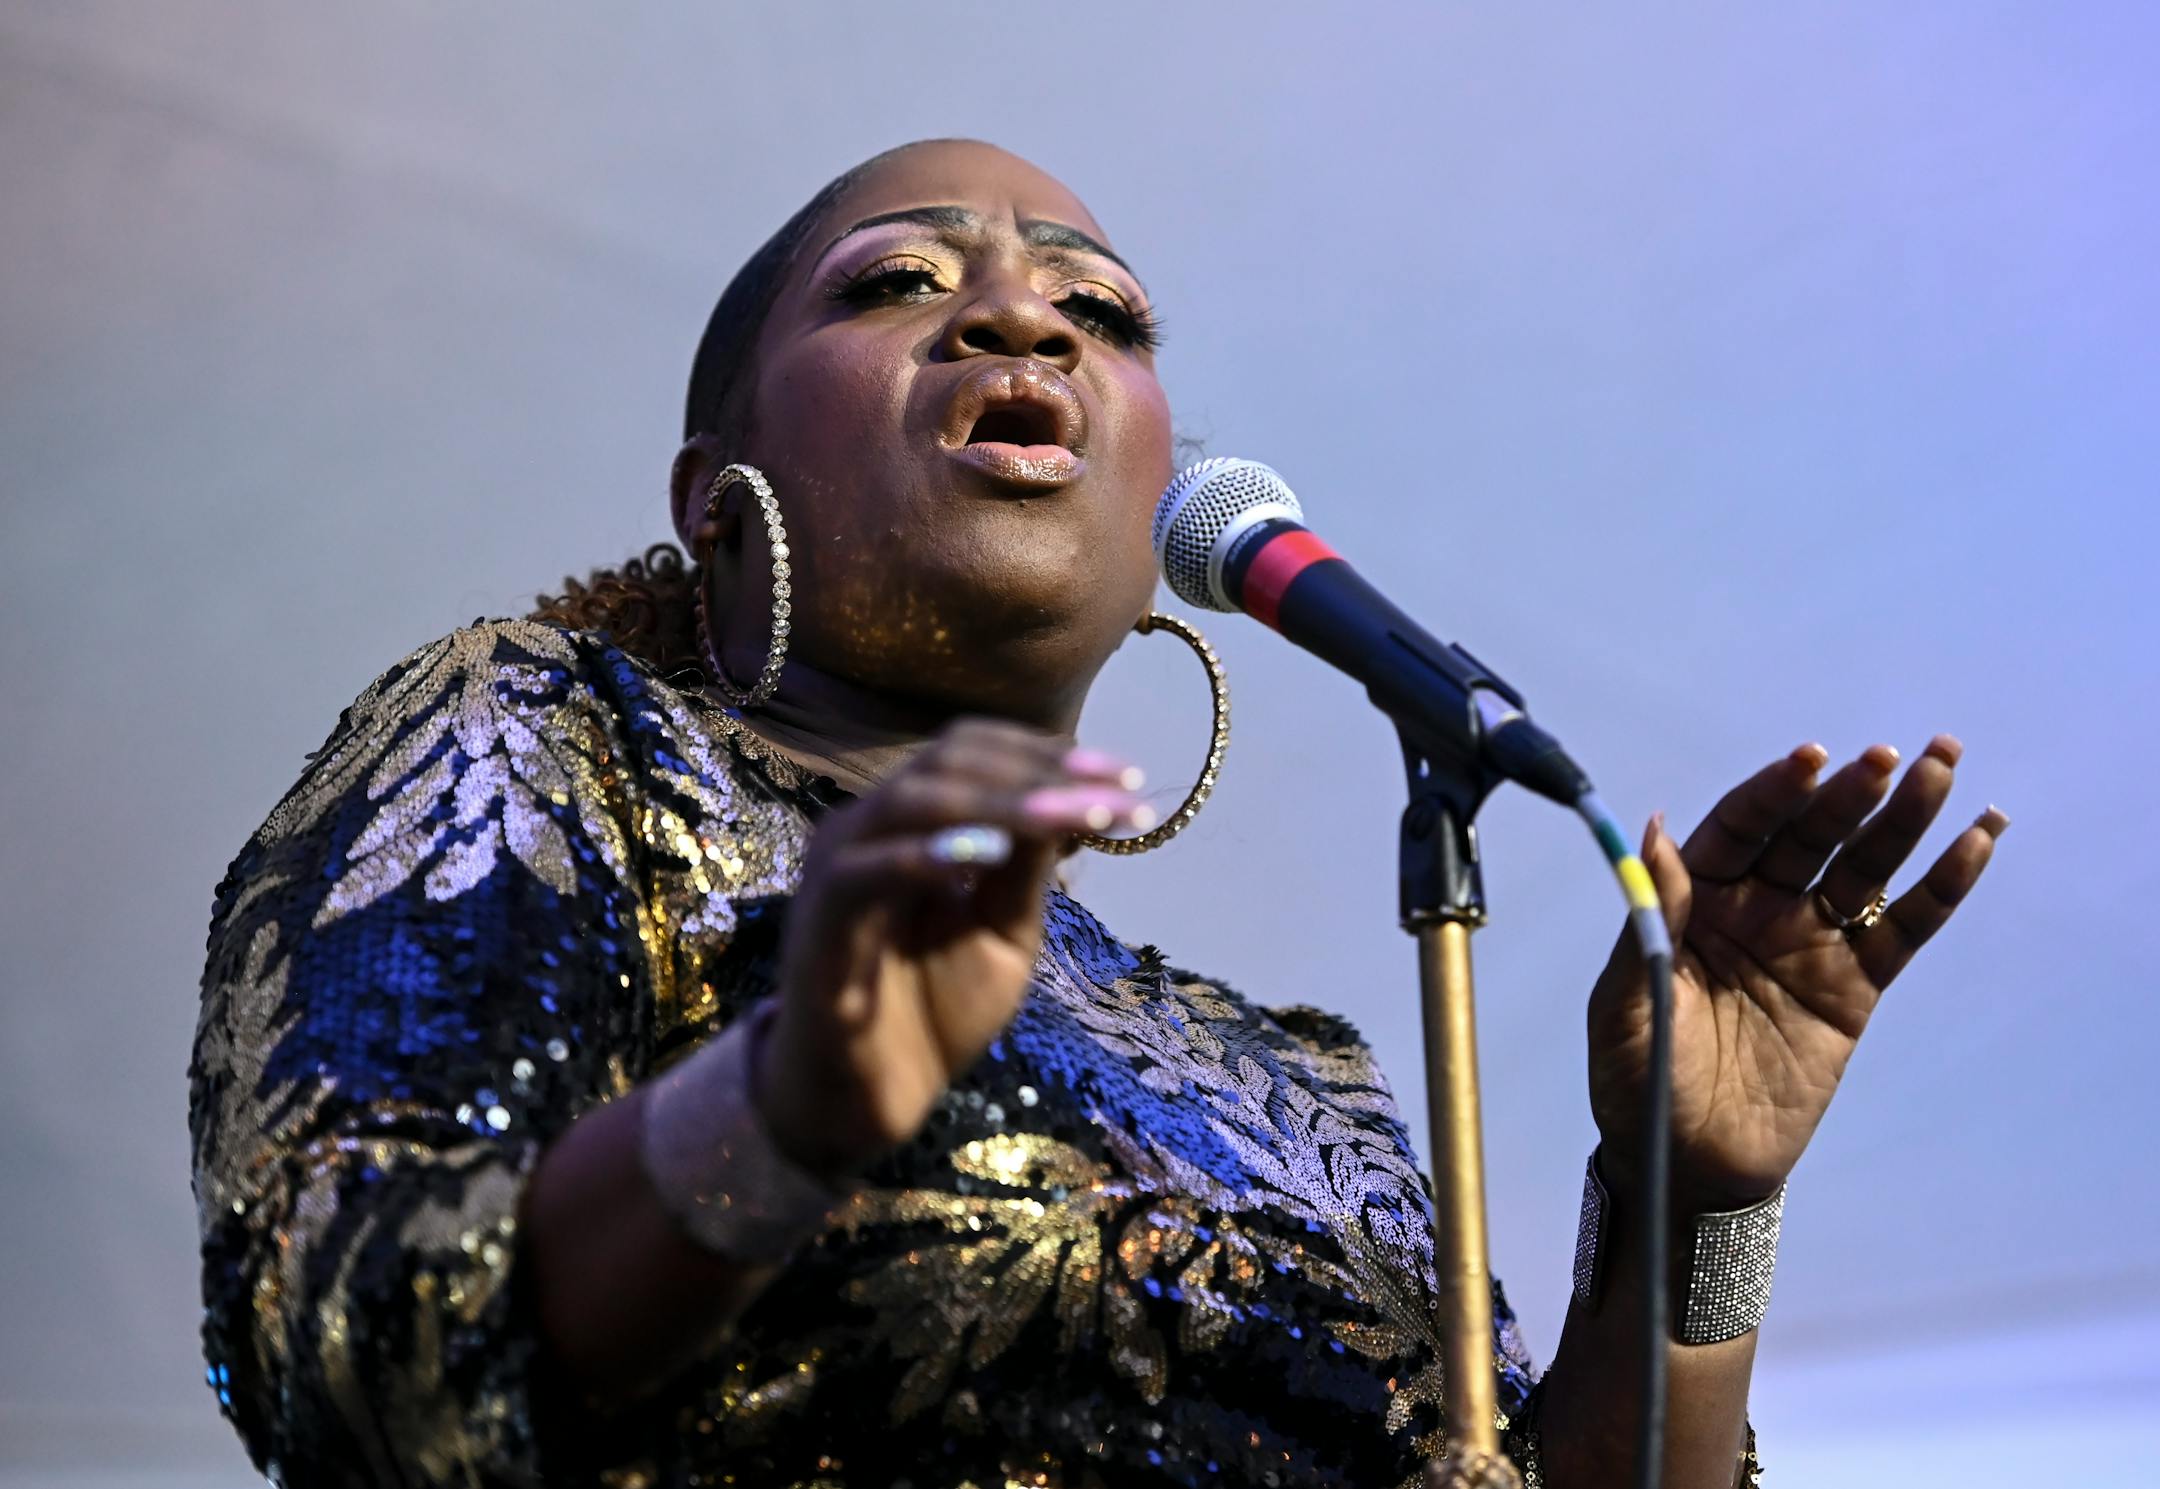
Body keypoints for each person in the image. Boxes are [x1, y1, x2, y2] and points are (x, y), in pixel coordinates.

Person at [189, 139, 2006, 1489]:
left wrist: (1698, 1200)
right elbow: (352, 1343)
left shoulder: (1298, 1076)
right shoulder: (556, 734)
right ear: (715, 498)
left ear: (1160, 535)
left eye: (1105, 312)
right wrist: (783, 1108)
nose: (1020, 314)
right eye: (895, 283)